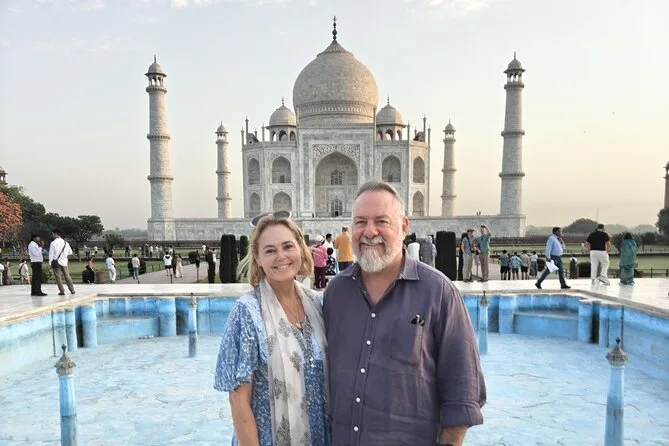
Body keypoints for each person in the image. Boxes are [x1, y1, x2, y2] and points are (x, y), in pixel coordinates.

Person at [323, 181, 485, 445]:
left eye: (382, 221)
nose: (369, 232)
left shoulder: (437, 292)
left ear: (404, 226)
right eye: (361, 222)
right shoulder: (337, 293)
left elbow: (463, 389)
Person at [214, 213, 329, 445]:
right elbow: (238, 401)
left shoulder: (315, 304)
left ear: (300, 249)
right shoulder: (248, 312)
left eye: (288, 246)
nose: (281, 256)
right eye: (270, 250)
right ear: (257, 258)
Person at [49, 229, 75, 295]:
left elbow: (51, 254)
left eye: (53, 234)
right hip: (64, 262)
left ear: (56, 234)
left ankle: (62, 291)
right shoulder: (66, 243)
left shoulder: (53, 243)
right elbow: (70, 252)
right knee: (67, 276)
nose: (52, 235)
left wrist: (50, 263)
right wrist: (64, 255)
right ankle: (72, 289)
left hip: (56, 262)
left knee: (58, 277)